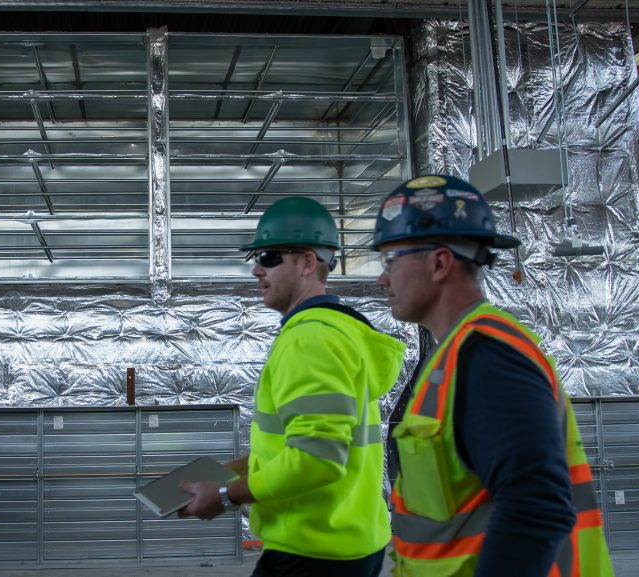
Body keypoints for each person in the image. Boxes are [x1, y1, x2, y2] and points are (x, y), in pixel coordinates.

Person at [374, 174, 614, 577]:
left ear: (439, 263)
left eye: (391, 260)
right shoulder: (454, 354)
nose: (383, 278)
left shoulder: (489, 358)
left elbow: (536, 508)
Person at [179, 196, 406, 577]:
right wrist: (233, 470)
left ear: (306, 263)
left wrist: (223, 495)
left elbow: (317, 459)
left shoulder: (310, 340)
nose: (256, 269)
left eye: (268, 257)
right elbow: (314, 444)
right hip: (349, 541)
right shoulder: (342, 331)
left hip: (311, 552)